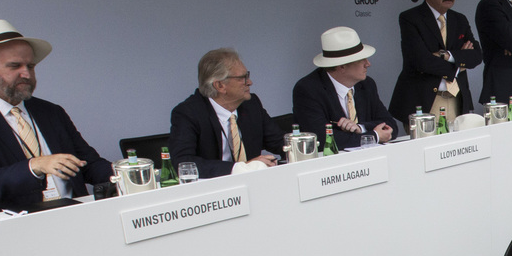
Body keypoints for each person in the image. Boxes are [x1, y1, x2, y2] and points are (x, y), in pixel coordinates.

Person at [0, 18, 113, 212]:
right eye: (15, 66)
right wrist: (35, 166)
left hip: (78, 215)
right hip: (16, 227)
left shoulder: (50, 111)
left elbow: (88, 163)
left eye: (30, 66)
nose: (27, 74)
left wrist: (128, 173)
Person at [389, 0, 482, 127]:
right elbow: (422, 61)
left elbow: (476, 56)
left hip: (456, 102)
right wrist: (459, 63)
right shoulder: (410, 19)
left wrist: (447, 56)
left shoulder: (460, 19)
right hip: (424, 103)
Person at [167, 49, 281, 180]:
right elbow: (183, 164)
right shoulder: (188, 113)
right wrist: (240, 168)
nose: (249, 82)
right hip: (213, 192)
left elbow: (279, 142)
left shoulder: (251, 105)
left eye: (247, 76)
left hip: (253, 185)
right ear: (220, 86)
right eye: (242, 78)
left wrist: (301, 146)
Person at [291, 27, 402, 151]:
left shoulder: (366, 84)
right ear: (342, 66)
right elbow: (322, 140)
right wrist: (373, 136)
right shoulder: (308, 90)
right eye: (361, 60)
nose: (368, 64)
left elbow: (390, 125)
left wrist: (360, 128)